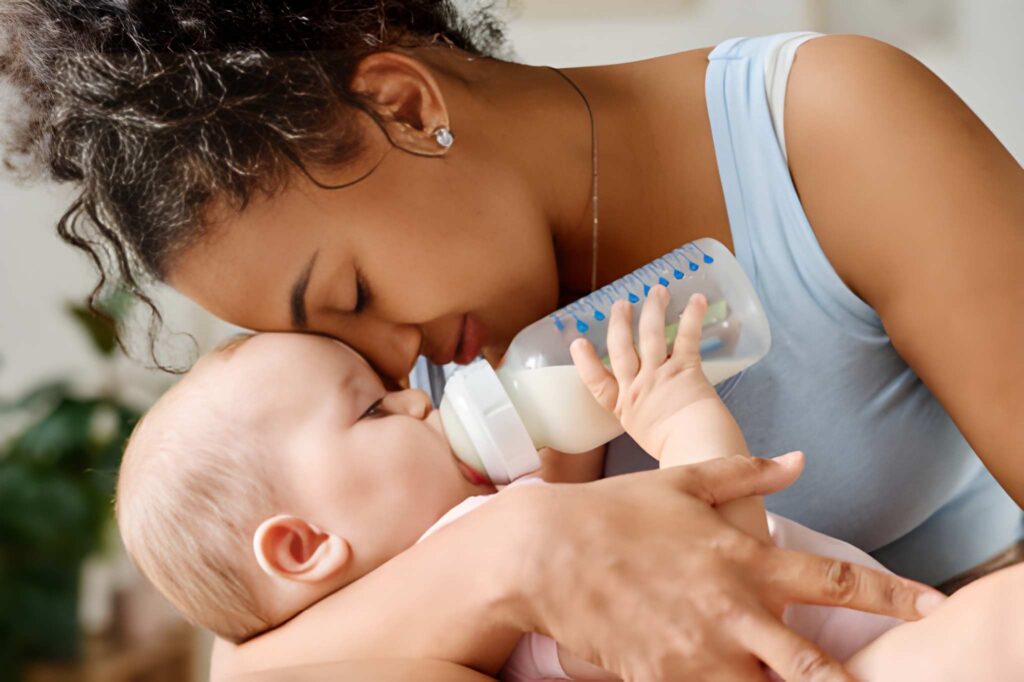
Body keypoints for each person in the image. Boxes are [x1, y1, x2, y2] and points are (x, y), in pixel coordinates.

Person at [2, 2, 1020, 679]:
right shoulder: (418, 398)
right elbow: (256, 662)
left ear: (404, 106)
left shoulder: (825, 130)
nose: (396, 364)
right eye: (345, 359)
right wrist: (519, 550)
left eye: (351, 292)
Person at [117, 290, 916, 681]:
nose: (420, 396)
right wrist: (682, 424)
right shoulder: (525, 574)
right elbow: (719, 588)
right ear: (303, 545)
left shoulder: (451, 613)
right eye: (371, 407)